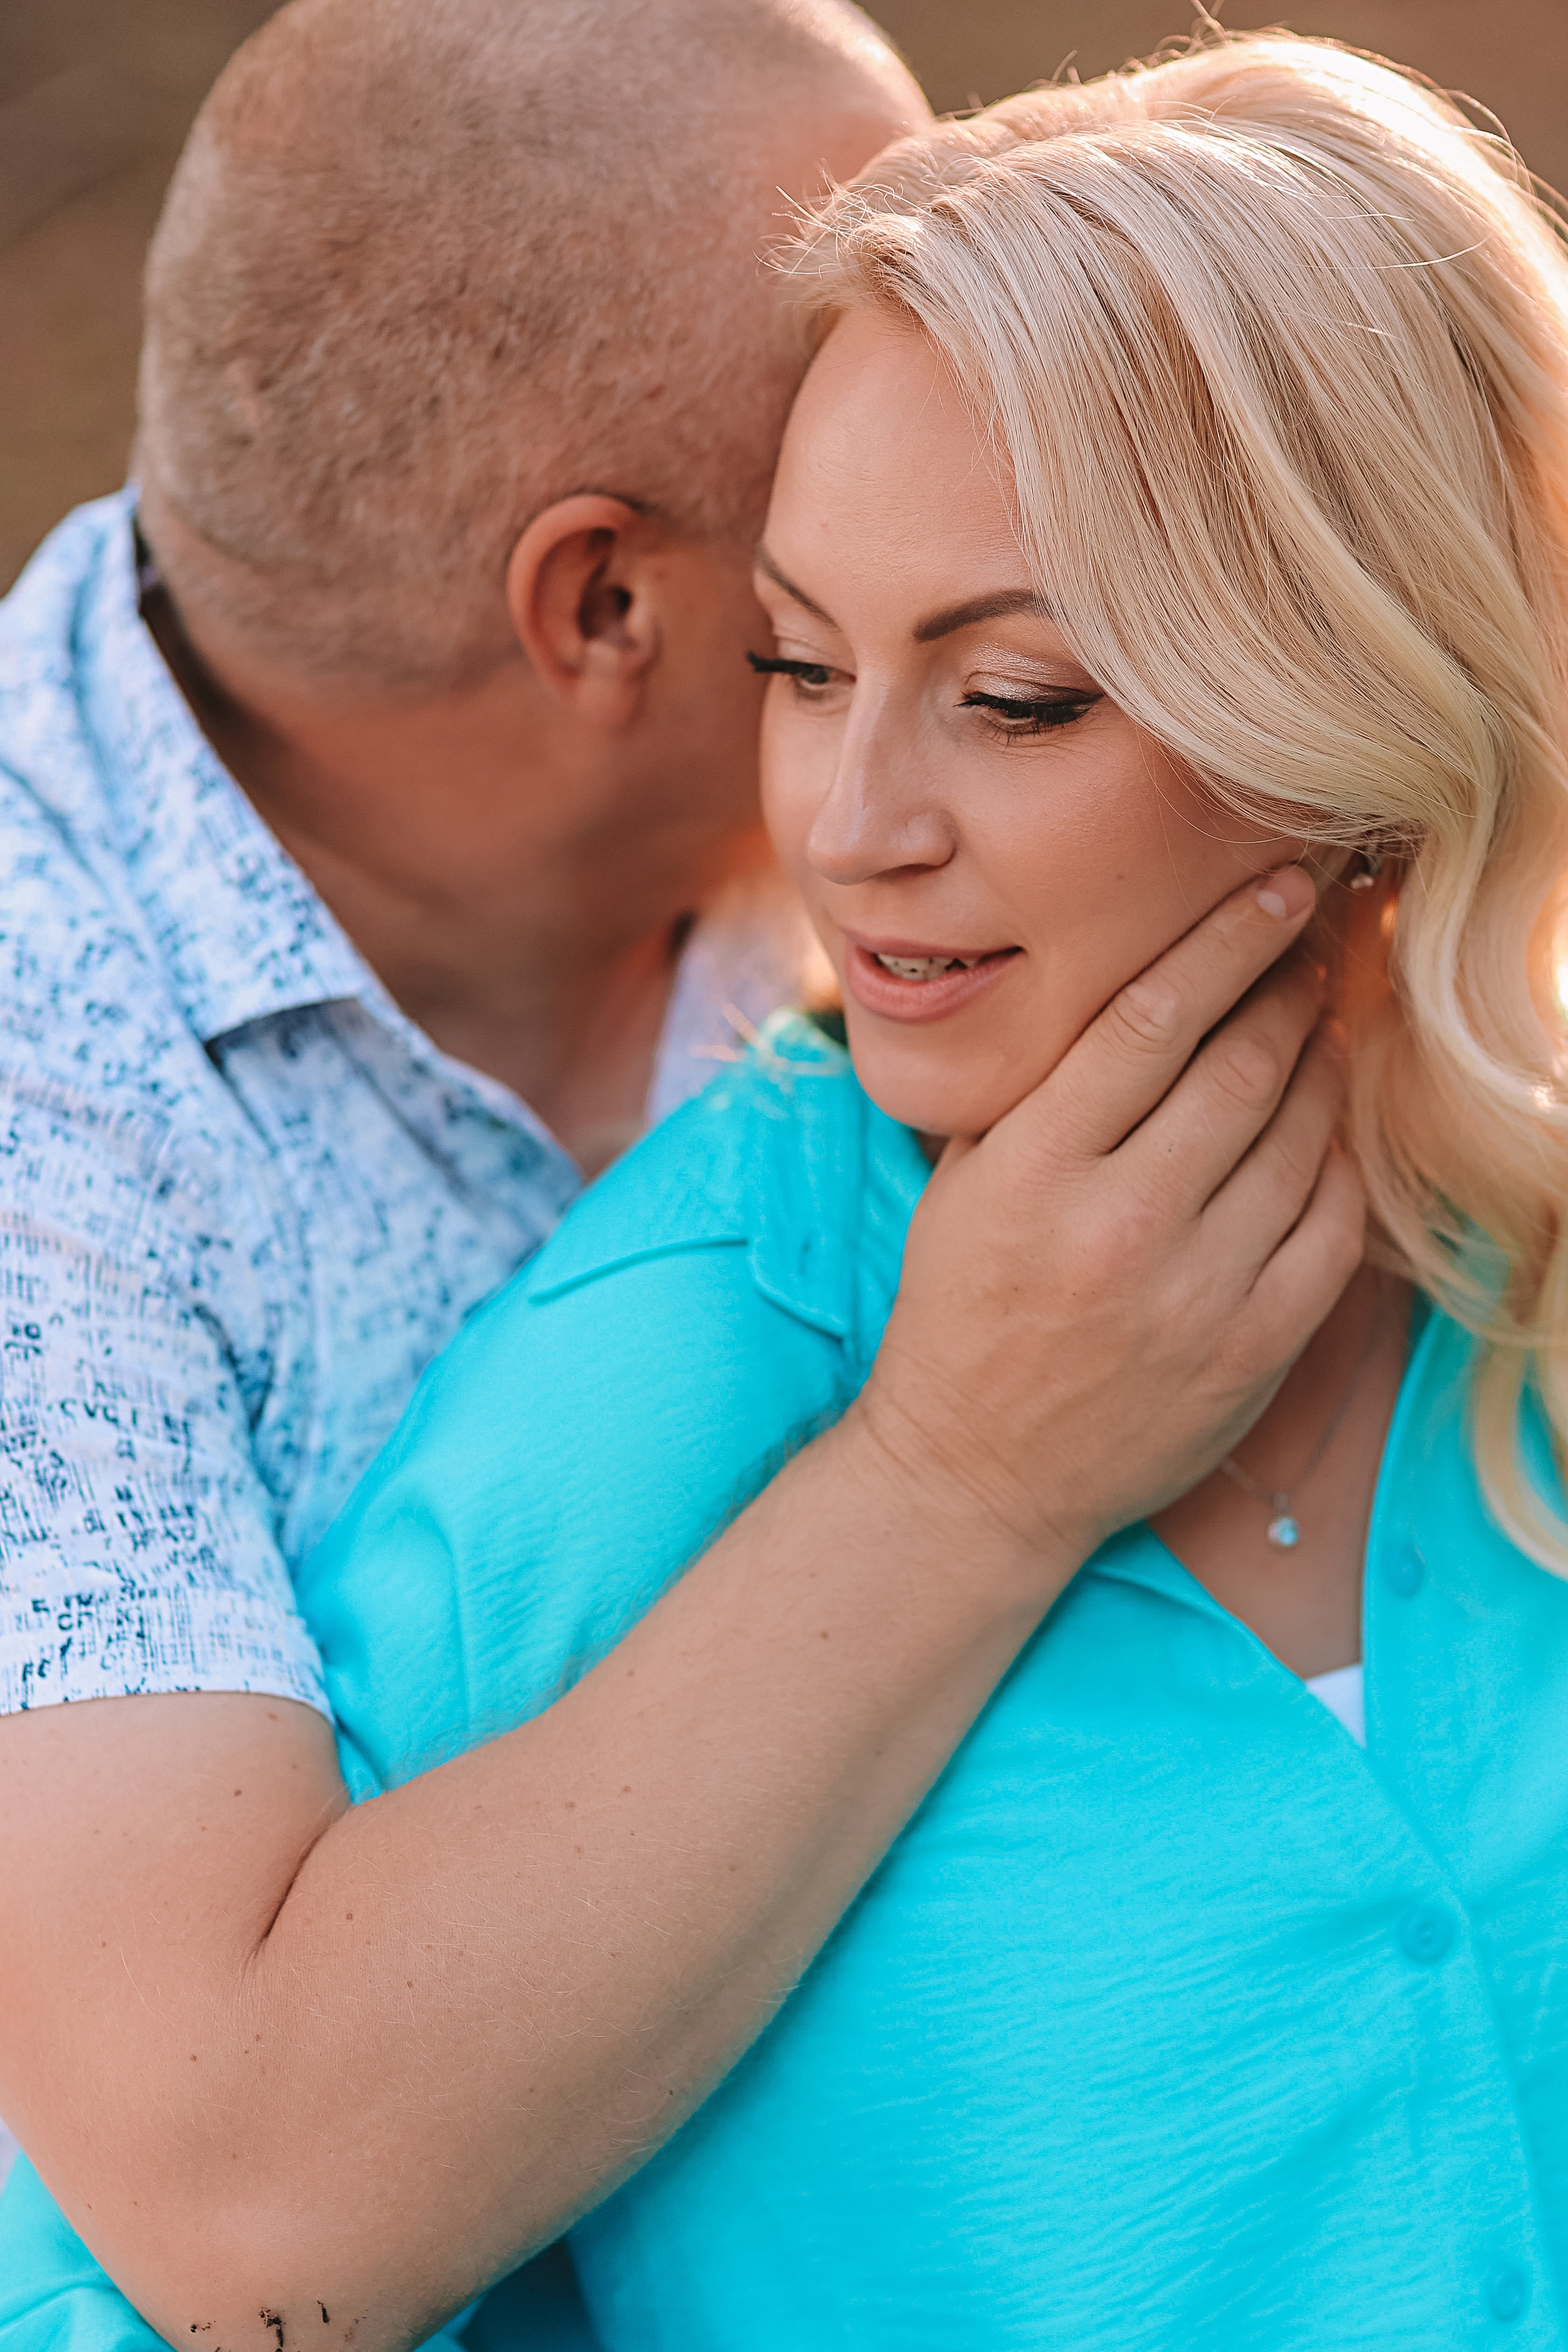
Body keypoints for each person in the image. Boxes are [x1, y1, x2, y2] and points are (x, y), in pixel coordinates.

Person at [17, 20, 1564, 2348]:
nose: (848, 825)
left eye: (1009, 688)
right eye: (802, 657)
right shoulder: (569, 1374)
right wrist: (957, 1477)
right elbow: (196, 2247)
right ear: (604, 613)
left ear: (1361, 692)